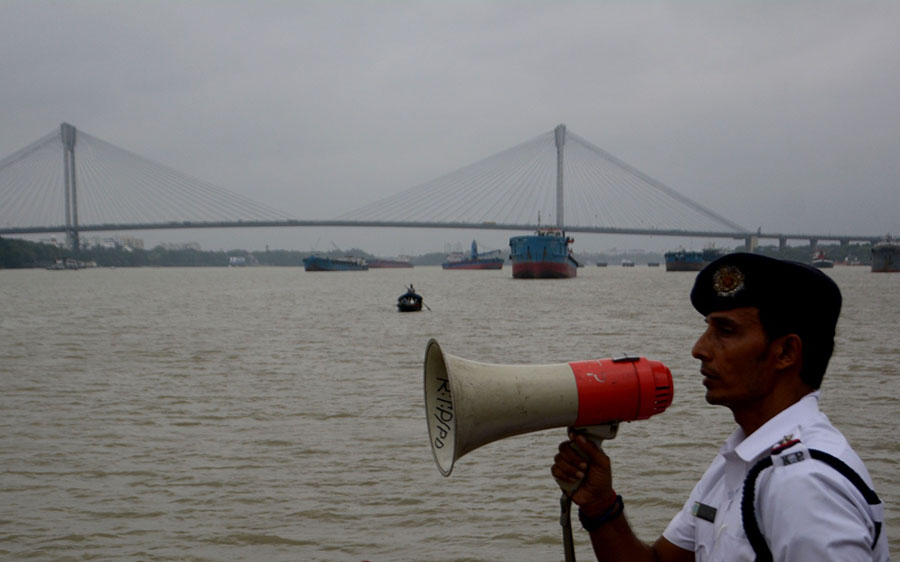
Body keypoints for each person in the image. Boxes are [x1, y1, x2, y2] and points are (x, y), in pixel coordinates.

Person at [551, 252, 888, 561]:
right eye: (707, 328)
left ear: (785, 353)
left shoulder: (804, 485)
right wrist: (600, 505)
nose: (699, 349)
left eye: (725, 330)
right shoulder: (744, 459)